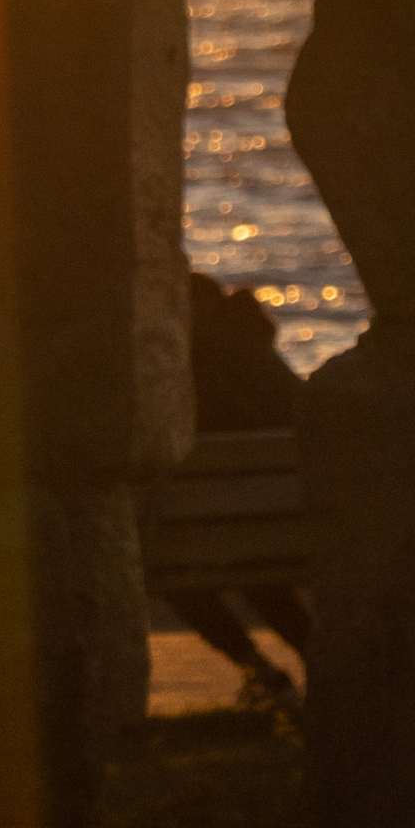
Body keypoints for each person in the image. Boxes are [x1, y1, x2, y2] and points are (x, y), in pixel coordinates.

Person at [166, 268, 316, 704]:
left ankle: (258, 667)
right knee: (244, 541)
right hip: (311, 519)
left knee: (184, 559)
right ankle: (312, 652)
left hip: (251, 532)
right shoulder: (252, 346)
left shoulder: (201, 364)